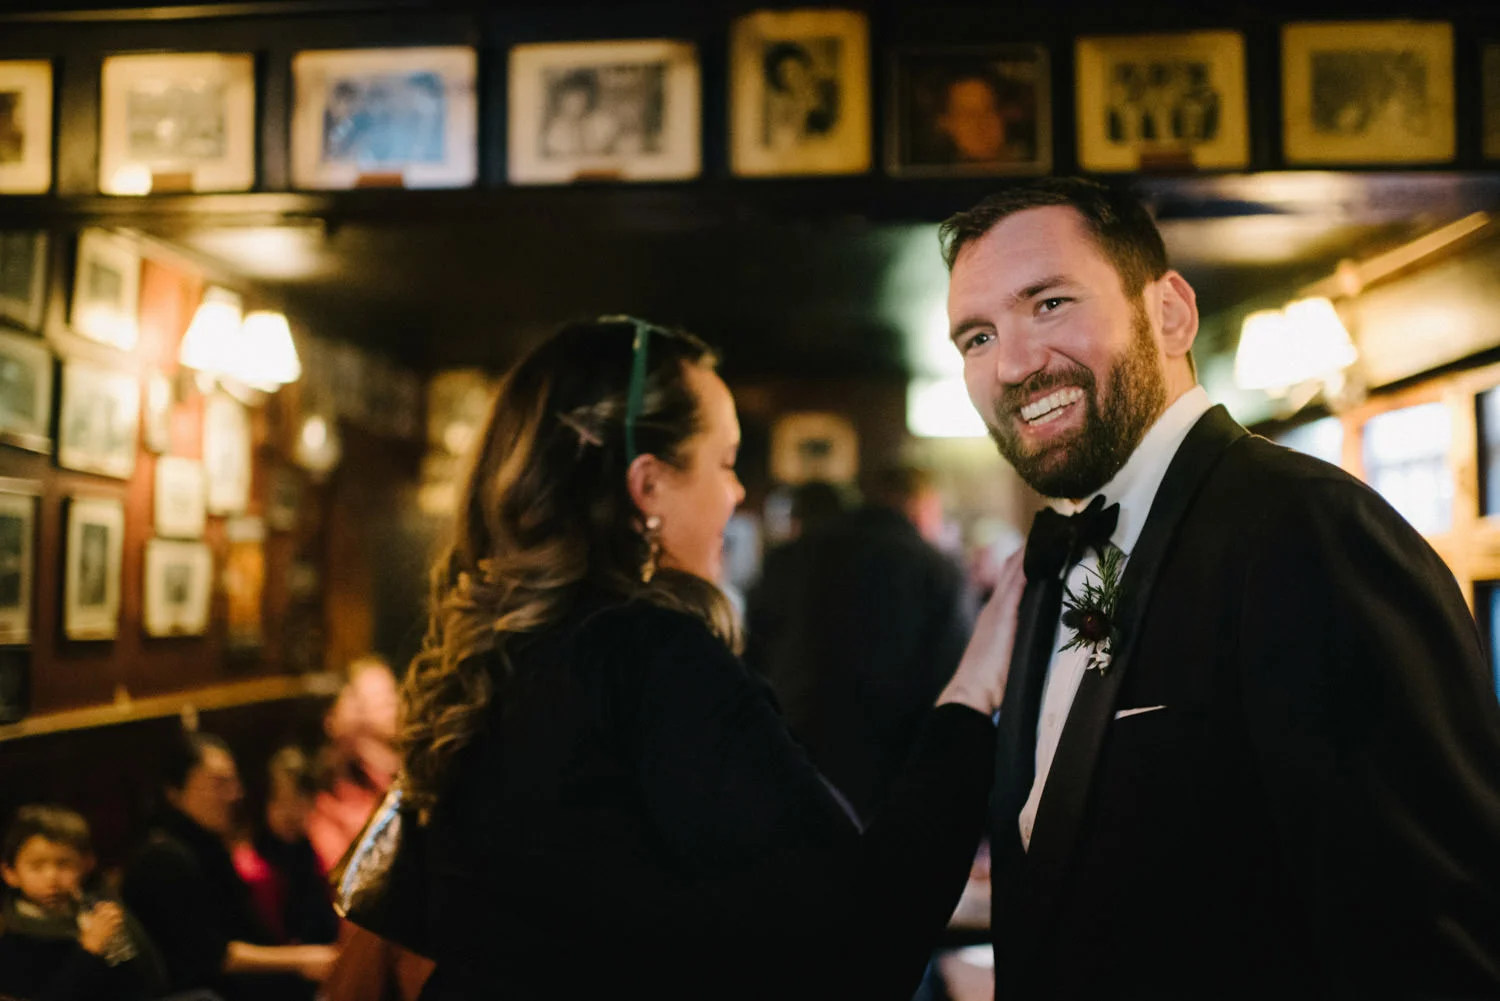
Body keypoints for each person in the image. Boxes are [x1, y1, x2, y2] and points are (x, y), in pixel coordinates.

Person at [943, 177, 1500, 997]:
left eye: (1052, 304)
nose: (1016, 363)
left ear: (1169, 312)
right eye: (978, 337)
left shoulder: (1311, 530)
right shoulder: (1056, 561)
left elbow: (1432, 936)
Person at [400, 317, 1011, 1000]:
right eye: (724, 461)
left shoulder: (495, 656)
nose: (738, 492)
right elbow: (857, 941)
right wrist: (971, 693)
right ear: (648, 484)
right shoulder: (652, 658)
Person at [745, 465, 973, 822]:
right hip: (893, 769)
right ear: (918, 505)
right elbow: (954, 683)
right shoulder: (935, 569)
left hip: (796, 755)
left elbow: (753, 655)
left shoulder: (791, 556)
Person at [121, 731, 339, 1001]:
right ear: (174, 791)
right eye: (219, 783)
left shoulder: (207, 846)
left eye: (233, 781)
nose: (234, 793)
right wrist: (300, 959)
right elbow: (211, 957)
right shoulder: (163, 858)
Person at [0, 804, 165, 1001]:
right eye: (37, 866)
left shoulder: (98, 910)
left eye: (64, 864)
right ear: (10, 873)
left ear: (86, 863)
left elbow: (148, 978)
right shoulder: (12, 933)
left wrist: (116, 943)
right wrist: (90, 950)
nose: (52, 878)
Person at [231, 748, 339, 958]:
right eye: (280, 801)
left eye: (300, 800)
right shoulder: (253, 869)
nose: (290, 812)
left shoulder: (315, 852)